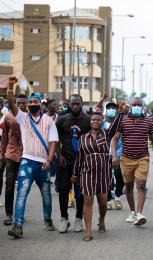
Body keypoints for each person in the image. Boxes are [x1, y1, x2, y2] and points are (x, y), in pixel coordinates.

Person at [7, 77, 58, 238]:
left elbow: (52, 143)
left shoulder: (49, 121)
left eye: (35, 101)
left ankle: (48, 219)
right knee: (22, 192)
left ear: (40, 104)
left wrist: (49, 160)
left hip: (44, 163)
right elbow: (11, 103)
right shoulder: (22, 118)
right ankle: (18, 225)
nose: (32, 104)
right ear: (27, 105)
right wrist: (10, 86)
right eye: (30, 102)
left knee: (46, 194)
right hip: (27, 162)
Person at [72, 106, 125, 241]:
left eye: (98, 119)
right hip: (87, 171)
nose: (95, 121)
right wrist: (75, 173)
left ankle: (101, 219)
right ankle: (89, 231)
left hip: (103, 171)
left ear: (102, 121)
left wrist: (120, 112)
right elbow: (80, 157)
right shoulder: (83, 138)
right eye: (93, 119)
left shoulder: (107, 134)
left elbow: (115, 125)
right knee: (88, 200)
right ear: (90, 122)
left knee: (102, 202)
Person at [112, 97, 153, 226]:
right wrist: (114, 156)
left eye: (139, 104)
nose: (137, 106)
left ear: (142, 106)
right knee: (128, 186)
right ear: (130, 106)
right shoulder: (123, 120)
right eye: (134, 104)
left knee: (141, 184)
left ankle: (139, 213)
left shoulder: (148, 121)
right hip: (126, 158)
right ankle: (132, 212)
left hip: (142, 158)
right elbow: (115, 139)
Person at [55, 94, 91, 233]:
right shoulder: (62, 120)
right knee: (63, 191)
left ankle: (78, 219)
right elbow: (55, 139)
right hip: (65, 161)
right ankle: (64, 219)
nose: (75, 106)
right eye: (73, 104)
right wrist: (59, 155)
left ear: (82, 104)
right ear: (68, 104)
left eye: (78, 104)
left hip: (83, 162)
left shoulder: (88, 120)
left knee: (81, 192)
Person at [0, 94, 26, 225]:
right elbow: (4, 138)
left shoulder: (29, 118)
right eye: (18, 103)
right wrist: (1, 155)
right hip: (11, 154)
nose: (21, 105)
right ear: (14, 103)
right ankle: (9, 215)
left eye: (23, 103)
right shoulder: (8, 118)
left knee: (23, 187)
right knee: (9, 185)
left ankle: (20, 213)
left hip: (26, 155)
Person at [97, 99, 125, 211]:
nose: (111, 110)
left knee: (120, 177)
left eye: (114, 108)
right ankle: (108, 199)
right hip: (104, 155)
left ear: (117, 110)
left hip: (119, 155)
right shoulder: (101, 123)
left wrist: (119, 154)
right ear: (105, 110)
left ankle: (117, 197)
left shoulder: (121, 123)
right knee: (106, 178)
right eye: (109, 108)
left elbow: (124, 140)